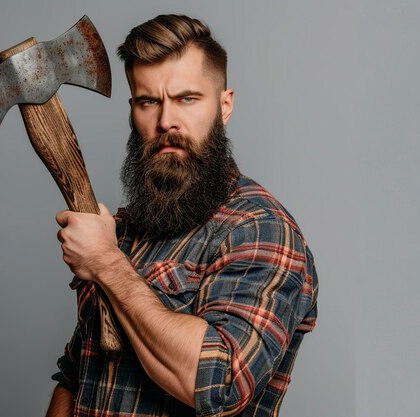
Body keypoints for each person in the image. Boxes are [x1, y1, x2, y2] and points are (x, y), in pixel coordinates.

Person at [48, 14, 318, 417]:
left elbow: (219, 382)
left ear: (224, 106)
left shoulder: (260, 229)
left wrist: (105, 262)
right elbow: (78, 375)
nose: (165, 121)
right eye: (148, 101)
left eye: (187, 99)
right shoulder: (125, 231)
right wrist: (110, 254)